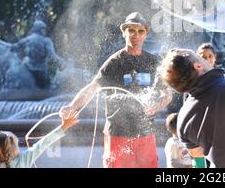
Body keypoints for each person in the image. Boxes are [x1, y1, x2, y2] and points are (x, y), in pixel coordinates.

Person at [59, 12, 172, 168]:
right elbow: (93, 87)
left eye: (140, 31)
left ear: (146, 34)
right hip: (118, 133)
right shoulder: (114, 62)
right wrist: (72, 106)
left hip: (145, 133)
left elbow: (167, 94)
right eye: (131, 30)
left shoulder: (153, 62)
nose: (136, 35)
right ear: (123, 32)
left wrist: (156, 106)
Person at [0, 111, 78, 168]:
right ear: (14, 151)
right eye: (17, 144)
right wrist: (64, 126)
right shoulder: (24, 160)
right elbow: (44, 143)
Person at [12, 20, 65, 88]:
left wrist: (0, 42)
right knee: (52, 63)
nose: (44, 31)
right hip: (42, 69)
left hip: (29, 67)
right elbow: (52, 56)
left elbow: (14, 47)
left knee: (26, 59)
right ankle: (52, 83)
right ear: (39, 29)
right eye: (43, 29)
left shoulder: (27, 39)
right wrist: (63, 62)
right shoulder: (46, 41)